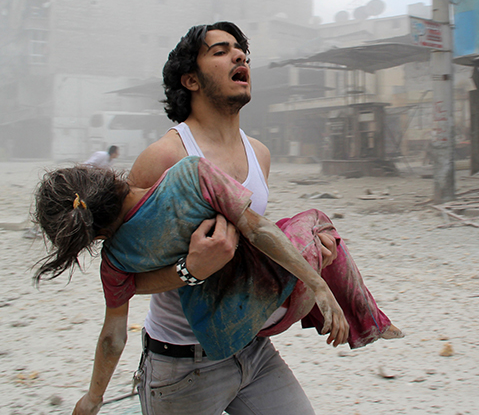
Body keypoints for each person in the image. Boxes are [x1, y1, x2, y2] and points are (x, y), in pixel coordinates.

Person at [67, 22, 350, 415]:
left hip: (252, 348)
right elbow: (121, 281)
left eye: (241, 51)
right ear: (191, 80)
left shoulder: (260, 154)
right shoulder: (164, 158)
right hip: (181, 365)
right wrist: (189, 269)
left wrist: (311, 256)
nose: (239, 56)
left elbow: (253, 243)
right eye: (220, 51)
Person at [34, 155, 402, 413]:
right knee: (313, 220)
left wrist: (93, 398)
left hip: (225, 339)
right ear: (100, 176)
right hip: (268, 316)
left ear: (88, 233)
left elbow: (113, 337)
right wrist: (320, 287)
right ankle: (367, 322)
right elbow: (257, 229)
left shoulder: (114, 262)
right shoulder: (189, 175)